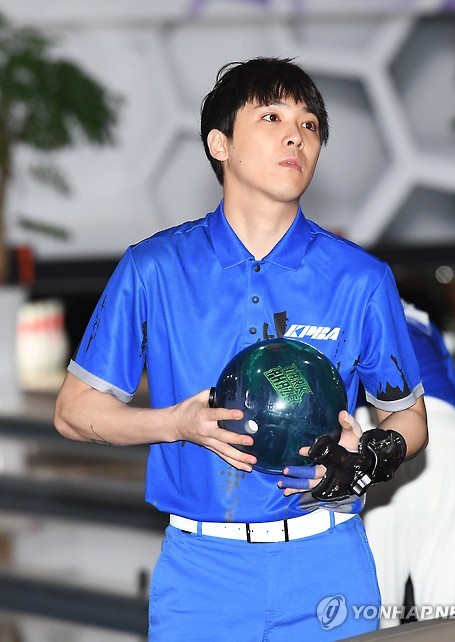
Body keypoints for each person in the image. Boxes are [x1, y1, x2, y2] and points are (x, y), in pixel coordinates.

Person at [53, 57, 428, 642]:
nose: (295, 136)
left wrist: (367, 459)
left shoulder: (360, 278)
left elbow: (409, 418)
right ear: (220, 144)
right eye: (272, 117)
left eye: (309, 125)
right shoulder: (154, 268)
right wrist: (176, 423)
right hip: (202, 575)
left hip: (328, 565)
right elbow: (74, 412)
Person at [361, 300, 455, 628]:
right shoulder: (412, 315)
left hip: (365, 435)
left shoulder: (320, 301)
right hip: (443, 435)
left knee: (366, 617)